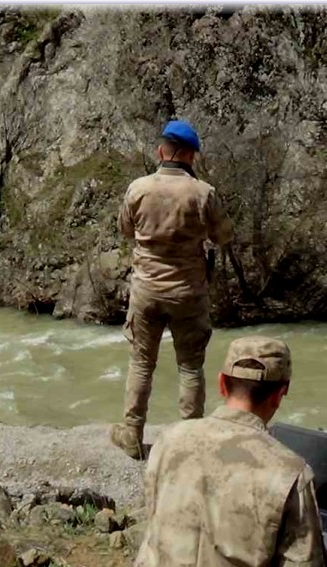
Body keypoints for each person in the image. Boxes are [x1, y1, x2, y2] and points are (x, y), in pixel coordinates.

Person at [121, 336, 327, 567]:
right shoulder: (290, 471)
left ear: (222, 384)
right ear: (281, 394)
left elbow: (155, 522)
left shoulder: (169, 440)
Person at [110, 119, 232, 460]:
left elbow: (125, 229)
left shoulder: (138, 189)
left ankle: (132, 434)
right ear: (191, 156)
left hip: (147, 288)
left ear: (163, 151)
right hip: (189, 292)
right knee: (190, 367)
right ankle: (190, 442)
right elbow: (224, 236)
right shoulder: (203, 193)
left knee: (141, 363)